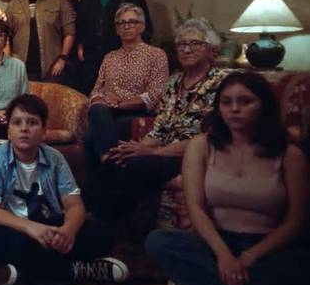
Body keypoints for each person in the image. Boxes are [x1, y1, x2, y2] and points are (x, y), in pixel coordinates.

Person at [145, 72, 310, 285]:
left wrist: (249, 257)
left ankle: (200, 283)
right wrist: (224, 256)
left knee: (302, 267)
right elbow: (196, 207)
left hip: (267, 248)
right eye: (226, 102)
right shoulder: (201, 145)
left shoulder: (290, 154)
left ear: (263, 105)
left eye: (245, 101)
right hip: (215, 242)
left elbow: (295, 221)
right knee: (159, 242)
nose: (234, 109)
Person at [0, 94, 129, 285]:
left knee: (101, 234)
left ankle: (23, 273)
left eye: (32, 123)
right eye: (17, 123)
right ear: (8, 131)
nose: (24, 129)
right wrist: (30, 228)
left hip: (47, 224)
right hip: (13, 227)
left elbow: (74, 205)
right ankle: (76, 270)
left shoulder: (55, 158)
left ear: (44, 131)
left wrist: (68, 231)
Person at [88, 17, 231, 225]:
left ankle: (103, 224)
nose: (186, 49)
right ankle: (93, 220)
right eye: (181, 44)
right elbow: (160, 128)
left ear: (212, 49)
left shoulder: (223, 83)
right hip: (164, 151)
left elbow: (212, 137)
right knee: (117, 158)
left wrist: (152, 152)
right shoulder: (174, 82)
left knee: (135, 166)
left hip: (194, 155)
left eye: (195, 43)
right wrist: (137, 148)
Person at [81, 3, 168, 211]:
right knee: (97, 111)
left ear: (142, 26)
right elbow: (96, 91)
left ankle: (93, 200)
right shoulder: (110, 57)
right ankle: (110, 168)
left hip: (137, 113)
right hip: (107, 113)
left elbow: (156, 94)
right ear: (116, 29)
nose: (127, 26)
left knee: (92, 137)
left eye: (132, 22)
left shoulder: (156, 55)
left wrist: (121, 104)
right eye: (121, 23)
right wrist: (101, 101)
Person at [75, 0, 153, 95]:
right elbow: (79, 29)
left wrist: (136, 56)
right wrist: (80, 48)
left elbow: (146, 29)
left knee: (117, 99)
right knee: (90, 100)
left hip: (123, 63)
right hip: (91, 65)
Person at [5, 0, 75, 84]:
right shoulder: (13, 6)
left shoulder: (59, 3)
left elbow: (70, 32)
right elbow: (6, 36)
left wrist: (62, 59)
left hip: (52, 68)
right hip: (21, 69)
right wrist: (8, 61)